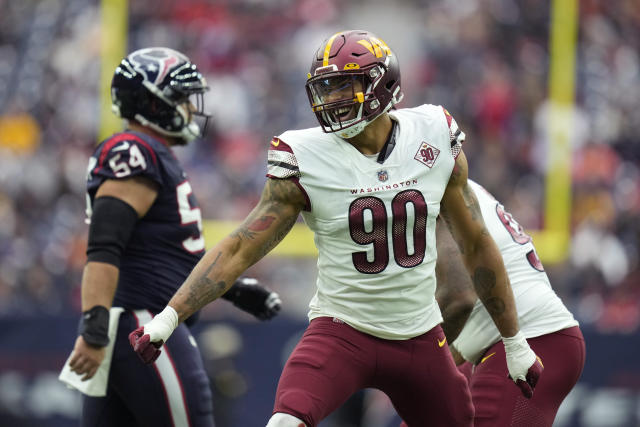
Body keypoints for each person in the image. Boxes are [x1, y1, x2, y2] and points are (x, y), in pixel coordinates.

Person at [129, 31, 543, 427]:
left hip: (419, 335)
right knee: (286, 419)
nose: (331, 100)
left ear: (382, 85)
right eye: (325, 89)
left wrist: (514, 341)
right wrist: (170, 316)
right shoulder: (304, 155)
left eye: (344, 87)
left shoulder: (431, 133)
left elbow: (475, 243)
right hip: (343, 330)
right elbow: (242, 245)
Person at [63, 47, 281, 427]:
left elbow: (167, 254)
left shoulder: (156, 155)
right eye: (181, 98)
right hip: (143, 324)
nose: (189, 108)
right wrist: (94, 328)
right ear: (152, 101)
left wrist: (232, 288)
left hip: (133, 325)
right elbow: (104, 247)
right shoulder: (132, 150)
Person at [430, 180, 584, 426]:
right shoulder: (450, 182)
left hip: (533, 339)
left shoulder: (432, 186)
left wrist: (415, 360)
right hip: (505, 342)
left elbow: (459, 298)